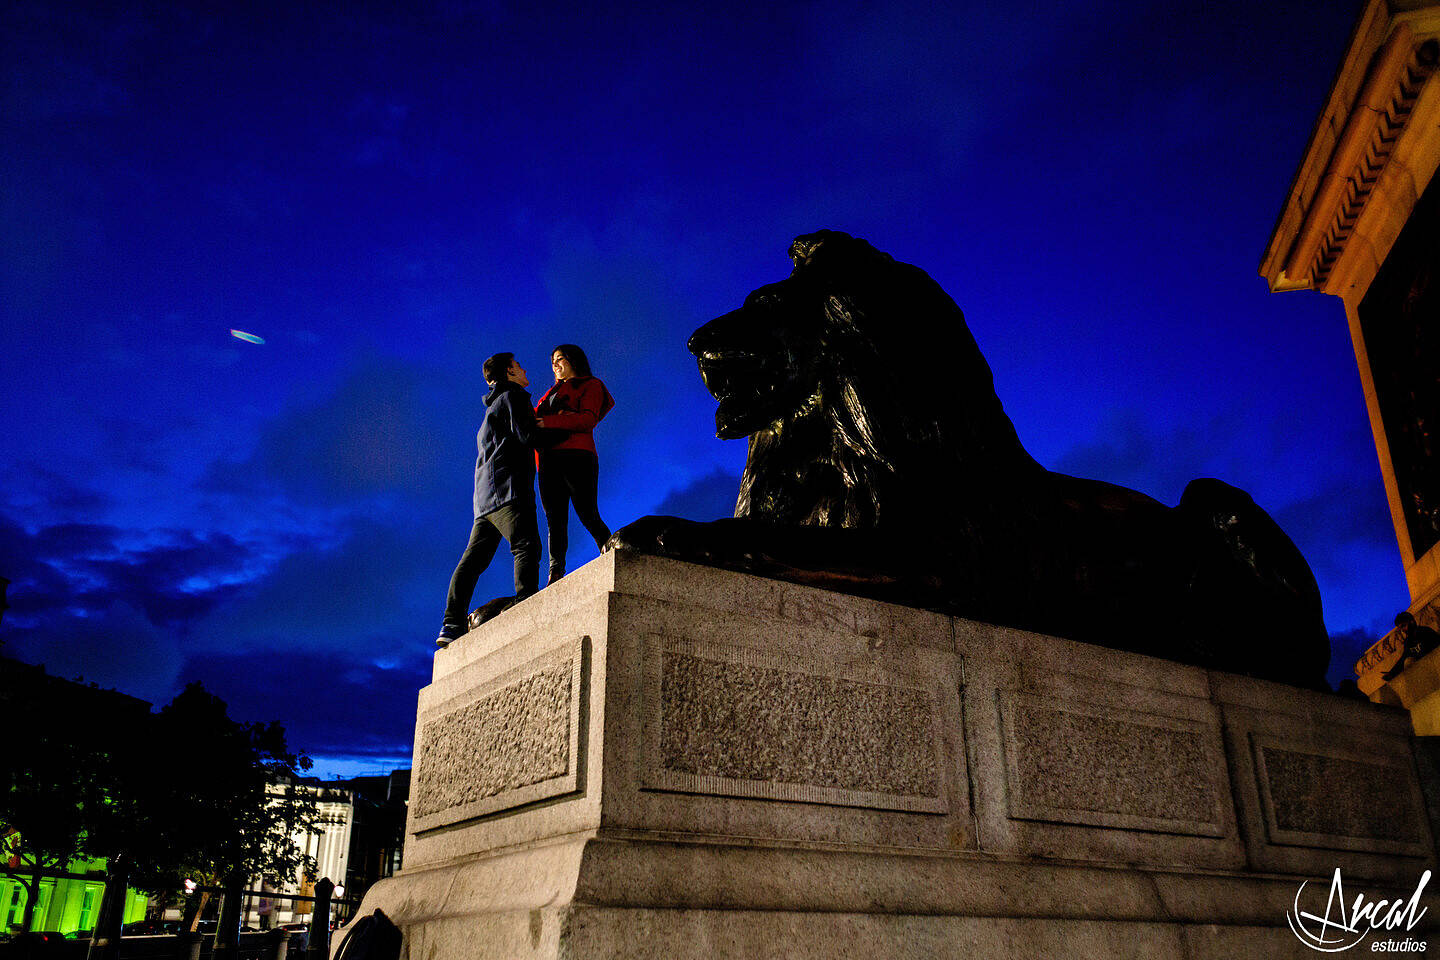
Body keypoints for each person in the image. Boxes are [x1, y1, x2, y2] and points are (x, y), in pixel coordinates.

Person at [437, 352, 543, 648]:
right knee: (526, 546)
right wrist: (552, 428)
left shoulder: (490, 411)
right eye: (519, 365)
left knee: (473, 561)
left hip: (484, 502)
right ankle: (526, 604)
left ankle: (451, 623)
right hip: (509, 491)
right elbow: (527, 436)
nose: (524, 369)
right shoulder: (514, 397)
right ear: (509, 372)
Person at [534, 343, 615, 584]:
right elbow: (531, 424)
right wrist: (559, 418)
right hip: (547, 461)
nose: (555, 364)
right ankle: (555, 572)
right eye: (552, 361)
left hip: (578, 456)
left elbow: (587, 420)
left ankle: (612, 552)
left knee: (587, 512)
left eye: (560, 358)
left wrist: (547, 422)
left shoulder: (591, 384)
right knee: (554, 519)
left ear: (573, 360)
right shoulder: (547, 395)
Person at [1381, 610, 1440, 681]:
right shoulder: (1408, 642)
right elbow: (1403, 659)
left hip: (1436, 664)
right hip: (1425, 673)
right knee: (1407, 662)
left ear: (1412, 622)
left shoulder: (1425, 631)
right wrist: (1391, 673)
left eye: (1403, 626)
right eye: (1401, 628)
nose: (1403, 630)